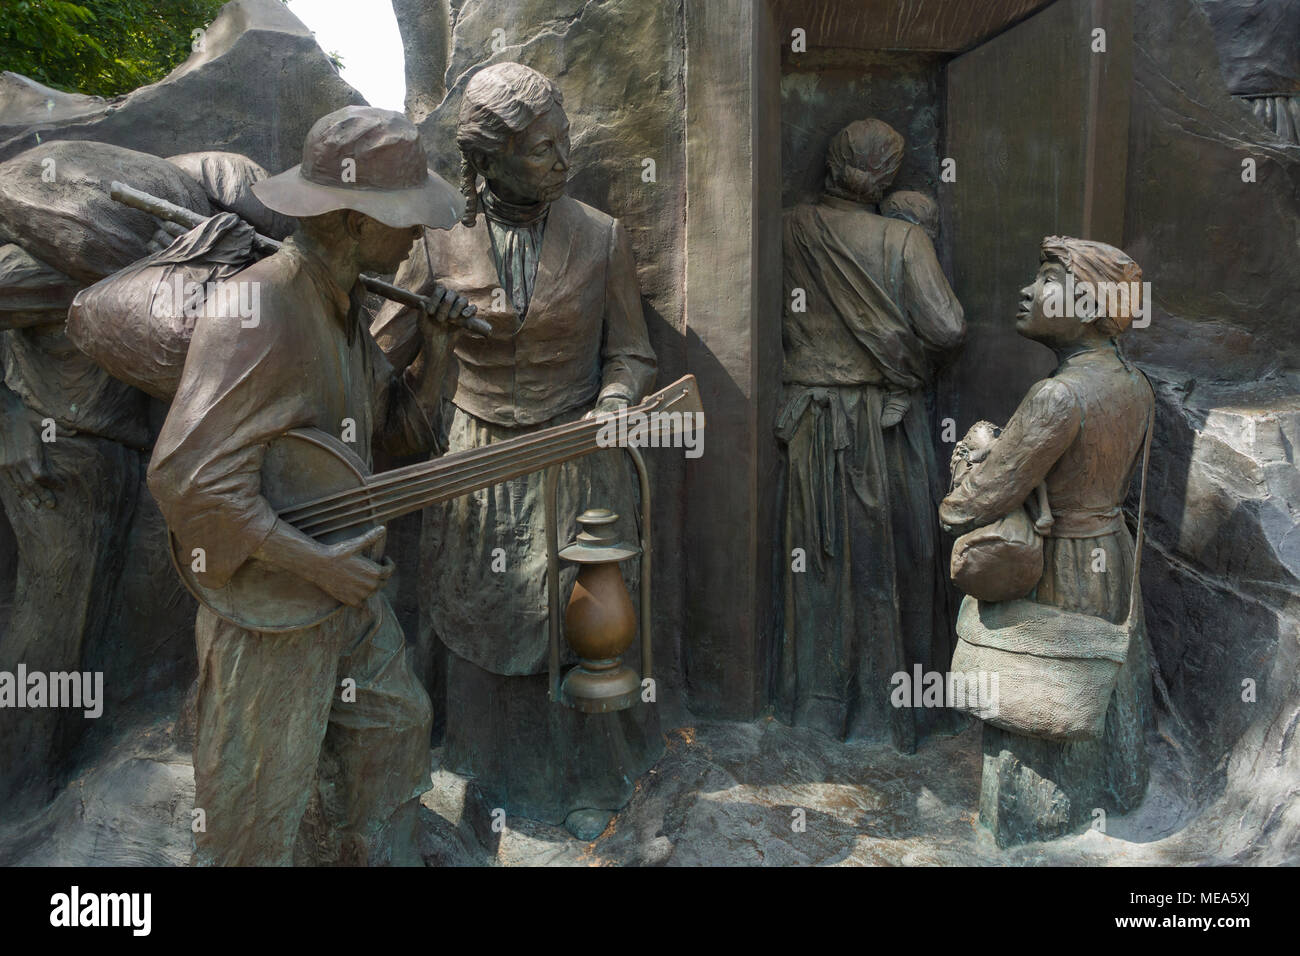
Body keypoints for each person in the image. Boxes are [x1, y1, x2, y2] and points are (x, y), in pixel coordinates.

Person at [147, 105, 469, 865]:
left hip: (338, 586)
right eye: (406, 216)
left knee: (394, 726)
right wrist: (312, 563)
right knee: (254, 807)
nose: (420, 234)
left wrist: (442, 349)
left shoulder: (348, 306)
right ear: (354, 221)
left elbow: (400, 435)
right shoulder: (261, 311)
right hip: (273, 605)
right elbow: (186, 478)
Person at [371, 62, 660, 840]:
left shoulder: (600, 236)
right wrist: (430, 339)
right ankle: (483, 769)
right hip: (478, 464)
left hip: (577, 460)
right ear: (486, 160)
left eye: (564, 141)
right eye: (540, 149)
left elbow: (630, 353)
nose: (562, 161)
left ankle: (586, 776)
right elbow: (375, 368)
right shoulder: (433, 242)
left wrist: (615, 402)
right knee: (483, 618)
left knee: (578, 626)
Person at [939, 236, 1155, 843]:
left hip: (1057, 566)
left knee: (1041, 691)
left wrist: (960, 483)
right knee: (1098, 677)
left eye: (1047, 280)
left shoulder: (1057, 396)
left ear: (1087, 305)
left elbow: (979, 500)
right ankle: (1107, 798)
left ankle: (1033, 830)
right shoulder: (1135, 382)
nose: (1028, 290)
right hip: (1111, 554)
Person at [775, 118, 965, 753]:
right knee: (890, 558)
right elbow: (946, 328)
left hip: (809, 420)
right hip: (883, 426)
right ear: (885, 178)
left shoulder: (789, 227)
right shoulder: (905, 240)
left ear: (832, 162)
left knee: (819, 562)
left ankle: (816, 709)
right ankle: (890, 714)